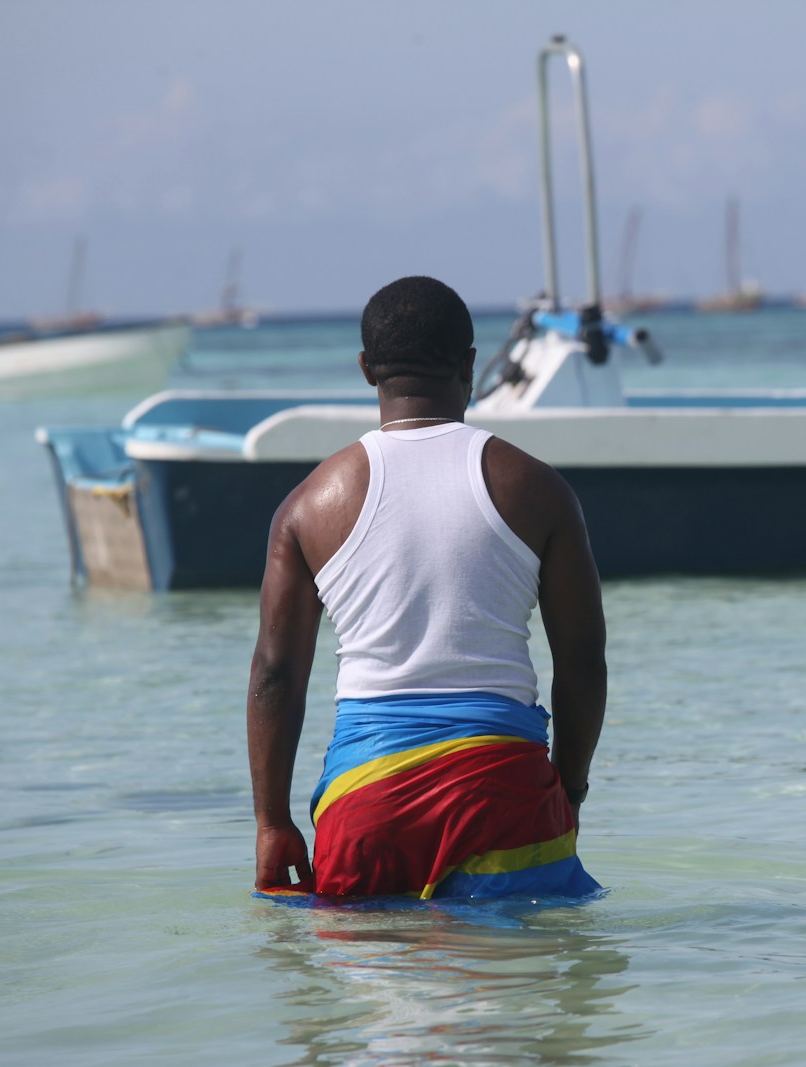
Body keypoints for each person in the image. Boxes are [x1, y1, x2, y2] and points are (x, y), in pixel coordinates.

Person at [246, 275, 607, 900]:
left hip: (367, 799)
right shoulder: (537, 488)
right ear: (470, 364)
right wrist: (566, 789)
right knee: (523, 983)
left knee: (369, 988)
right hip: (502, 787)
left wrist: (273, 822)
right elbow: (581, 663)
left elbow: (276, 675)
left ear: (366, 369)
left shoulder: (309, 506)